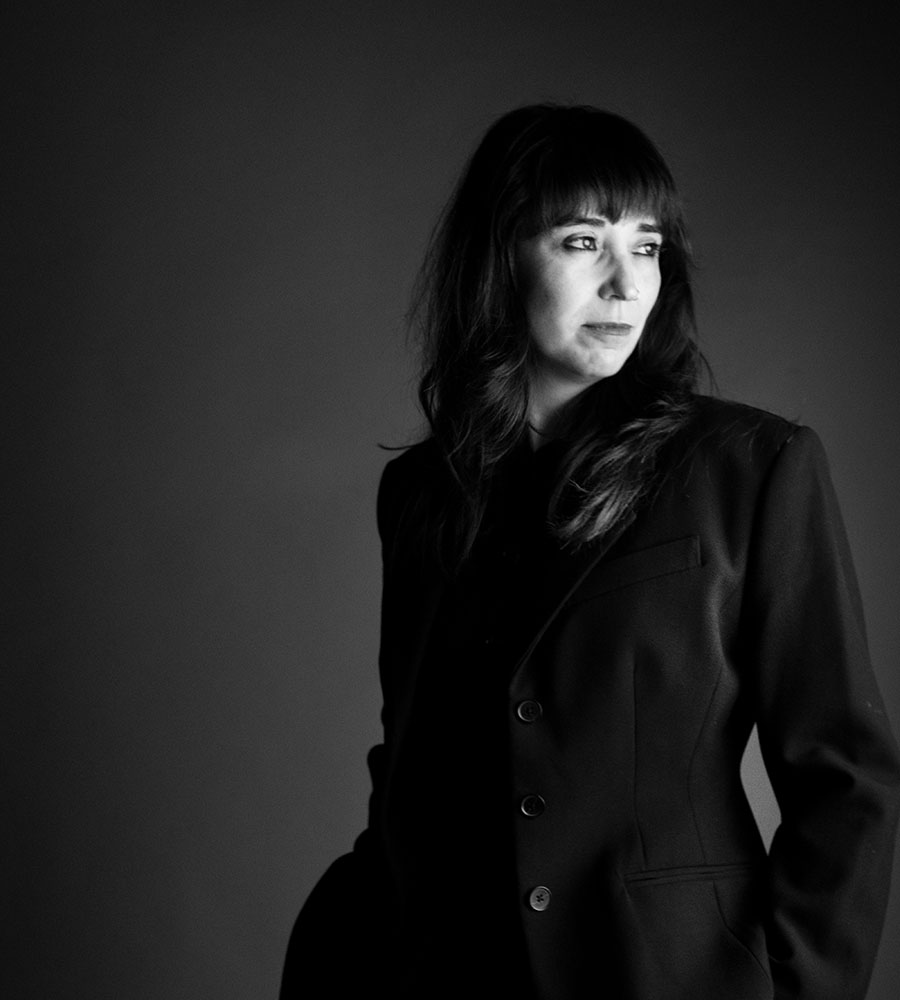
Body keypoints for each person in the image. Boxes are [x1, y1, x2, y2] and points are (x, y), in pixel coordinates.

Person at [280, 104, 900, 999]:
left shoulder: (751, 469)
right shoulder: (422, 494)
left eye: (645, 247)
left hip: (674, 977)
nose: (626, 285)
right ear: (500, 259)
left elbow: (846, 777)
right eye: (582, 242)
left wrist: (800, 988)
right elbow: (414, 765)